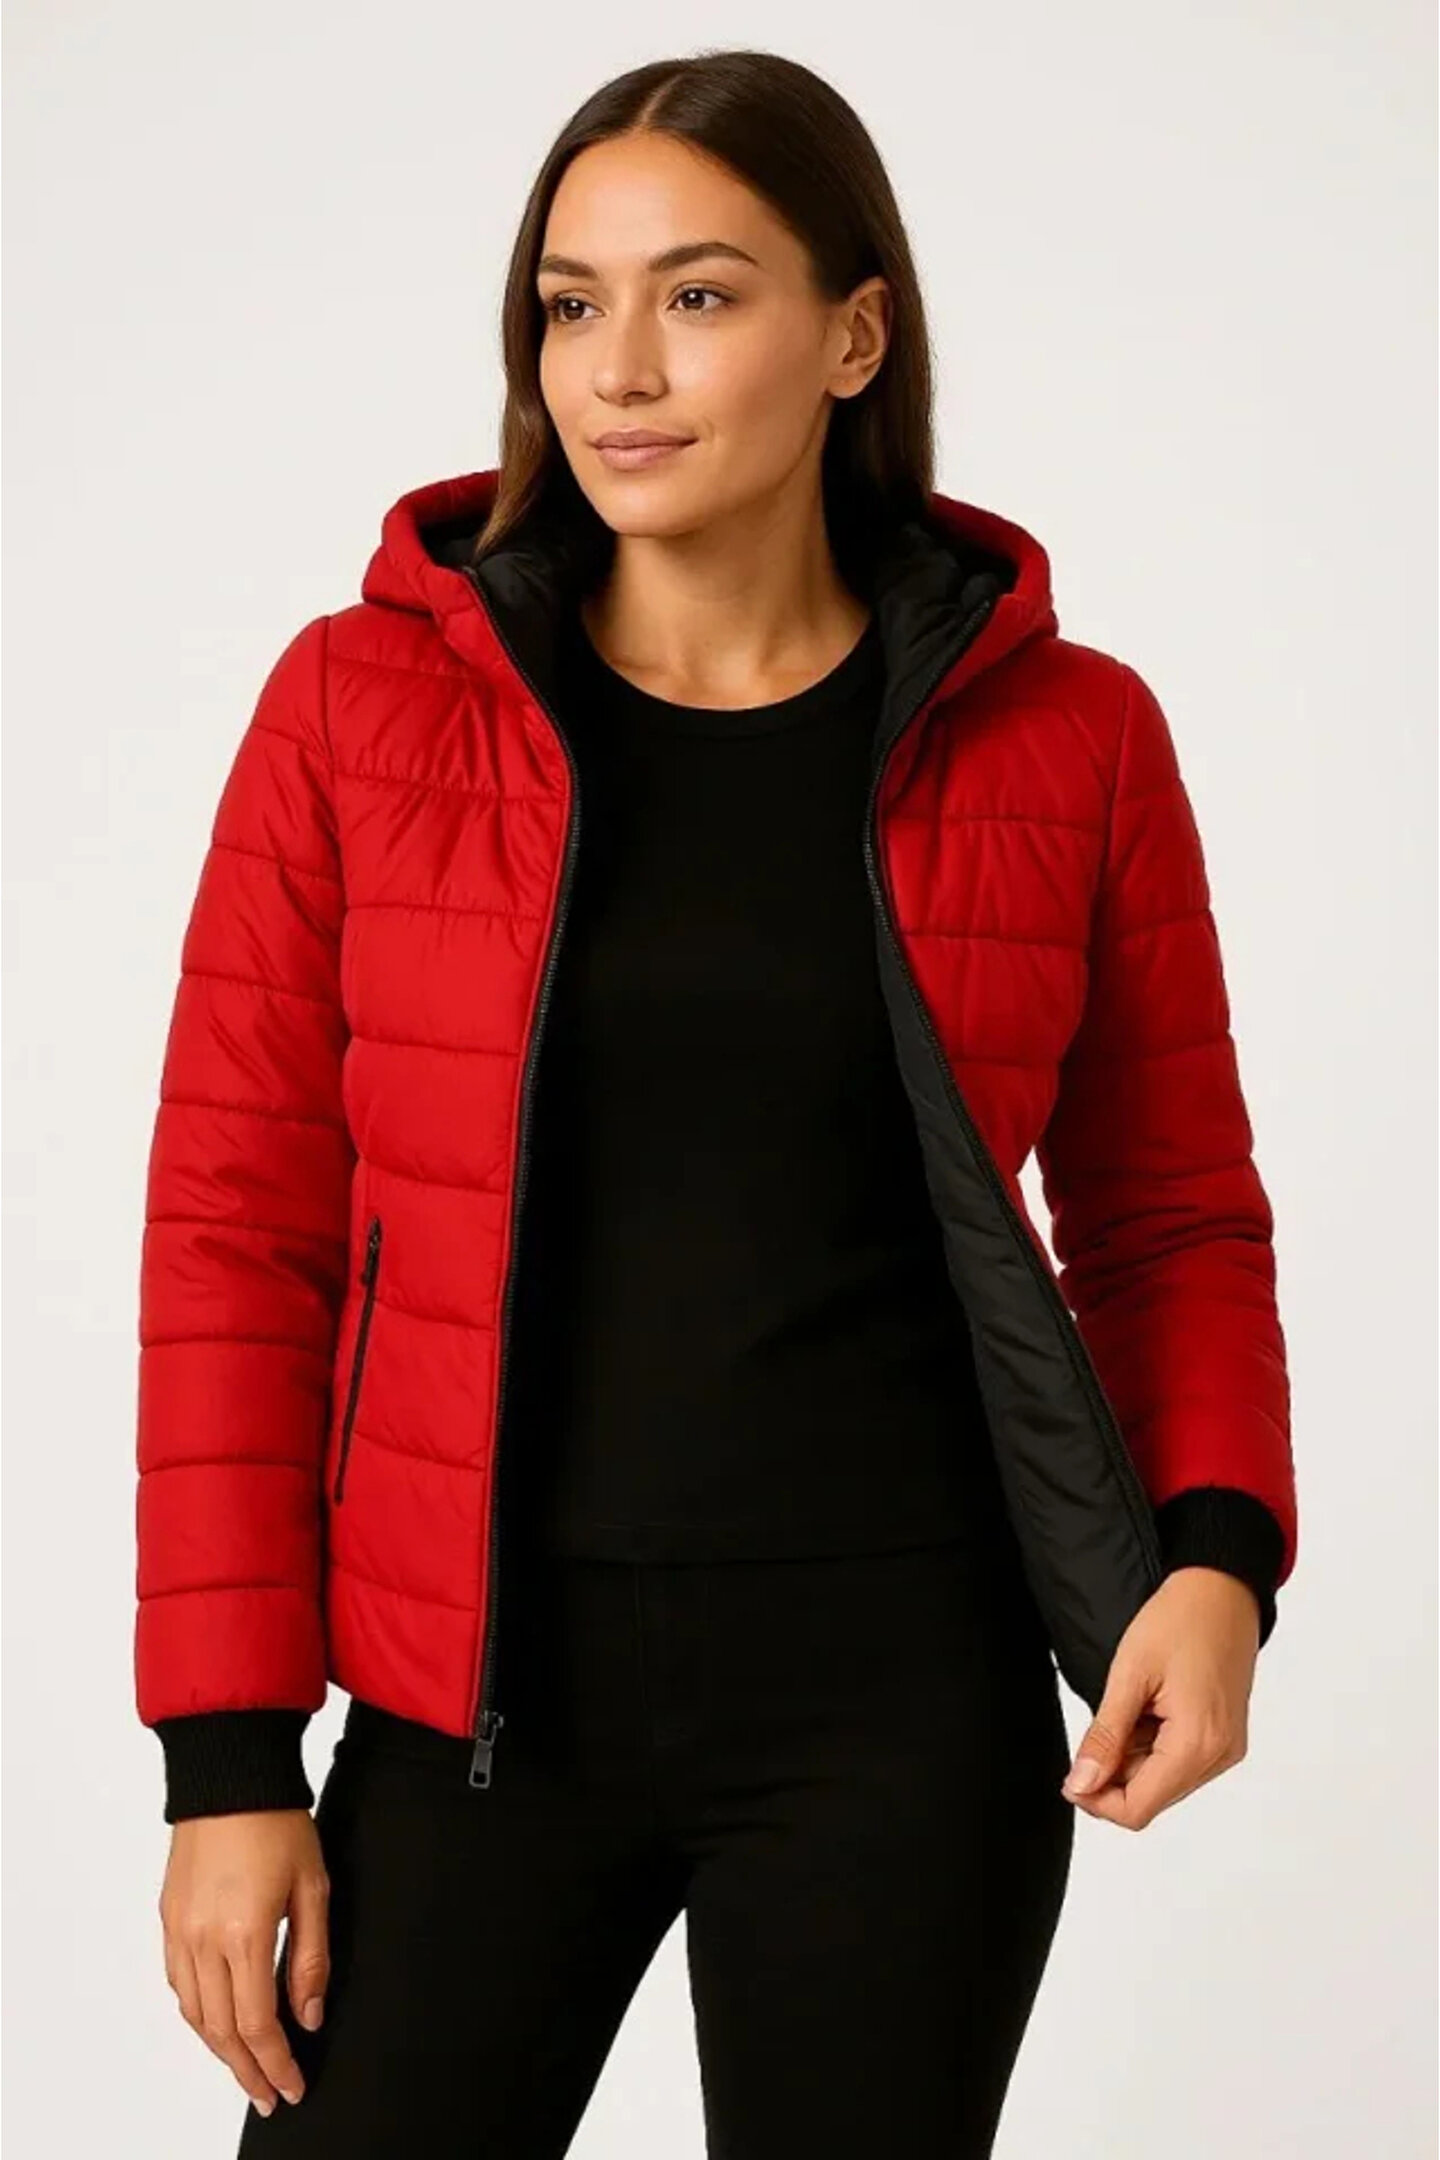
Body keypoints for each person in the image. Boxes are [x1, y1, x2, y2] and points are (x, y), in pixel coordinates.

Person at [136, 48, 1298, 2159]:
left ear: (855, 336)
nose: (620, 369)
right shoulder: (357, 710)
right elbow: (238, 1234)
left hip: (903, 1705)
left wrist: (1215, 1565)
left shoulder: (1071, 741)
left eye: (698, 295)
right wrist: (226, 1761)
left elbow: (1171, 1216)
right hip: (477, 1710)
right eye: (571, 304)